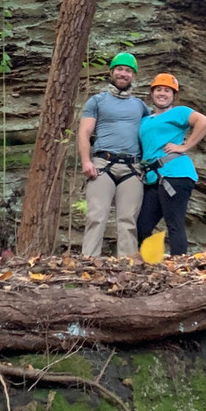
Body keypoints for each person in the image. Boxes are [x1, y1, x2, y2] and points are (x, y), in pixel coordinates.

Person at [78, 52, 150, 257]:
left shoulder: (140, 106)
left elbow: (151, 133)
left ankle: (127, 268)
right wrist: (86, 161)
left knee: (128, 221)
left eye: (128, 70)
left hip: (132, 168)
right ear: (111, 72)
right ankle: (89, 263)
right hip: (102, 164)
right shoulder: (97, 101)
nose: (123, 74)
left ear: (133, 76)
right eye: (119, 69)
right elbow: (84, 132)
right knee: (96, 217)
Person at [137, 73, 206, 256]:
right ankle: (151, 263)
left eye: (167, 91)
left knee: (174, 224)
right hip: (154, 177)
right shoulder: (146, 120)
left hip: (176, 174)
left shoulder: (179, 112)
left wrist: (185, 145)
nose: (162, 93)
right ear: (152, 93)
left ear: (174, 95)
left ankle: (179, 267)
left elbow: (204, 122)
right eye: (158, 90)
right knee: (141, 226)